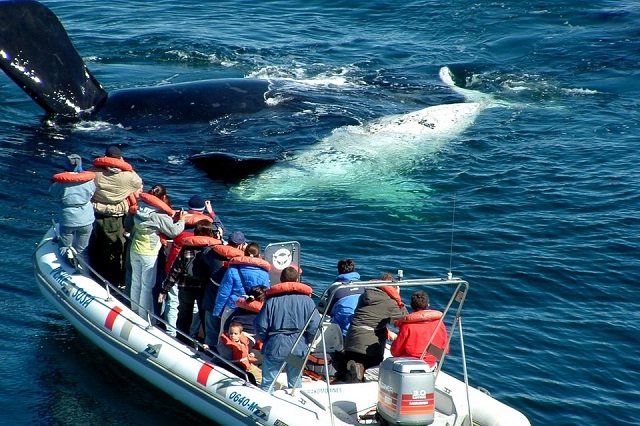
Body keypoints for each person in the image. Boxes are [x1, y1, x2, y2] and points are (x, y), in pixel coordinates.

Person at [162, 195, 224, 337]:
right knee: (200, 313)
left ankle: (173, 334)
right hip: (203, 286)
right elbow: (220, 228)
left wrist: (165, 288)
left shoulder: (179, 230)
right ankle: (196, 336)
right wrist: (212, 213)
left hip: (184, 282)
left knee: (178, 308)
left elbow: (176, 268)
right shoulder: (212, 246)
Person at [255, 266, 320, 391]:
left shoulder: (271, 301)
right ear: (297, 279)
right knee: (295, 382)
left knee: (268, 382)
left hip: (275, 346)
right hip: (298, 347)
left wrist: (265, 340)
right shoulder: (308, 301)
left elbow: (261, 325)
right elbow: (314, 326)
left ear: (281, 279)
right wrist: (308, 340)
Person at [126, 184, 184, 321]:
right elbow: (173, 231)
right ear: (163, 198)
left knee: (135, 281)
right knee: (147, 286)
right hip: (149, 253)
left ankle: (134, 309)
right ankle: (144, 317)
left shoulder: (140, 206)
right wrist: (181, 220)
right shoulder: (159, 215)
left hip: (135, 248)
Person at [88, 145, 143, 287]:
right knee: (114, 250)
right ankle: (115, 282)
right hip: (115, 217)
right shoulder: (128, 178)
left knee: (97, 247)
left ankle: (95, 277)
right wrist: (125, 165)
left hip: (95, 214)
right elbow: (138, 184)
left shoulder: (93, 174)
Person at [339, 284, 408, 382]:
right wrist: (398, 300)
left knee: (350, 364)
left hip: (352, 337)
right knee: (368, 368)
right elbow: (404, 319)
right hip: (369, 346)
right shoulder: (390, 303)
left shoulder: (364, 296)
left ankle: (352, 372)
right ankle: (359, 372)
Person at [213, 241, 271, 337]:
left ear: (245, 253)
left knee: (224, 335)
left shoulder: (232, 270)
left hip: (232, 306)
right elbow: (264, 294)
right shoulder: (264, 274)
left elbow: (224, 293)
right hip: (250, 309)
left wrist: (218, 311)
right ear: (258, 255)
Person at [201, 231, 247, 349]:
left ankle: (209, 351)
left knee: (211, 328)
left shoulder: (213, 256)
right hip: (231, 305)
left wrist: (219, 241)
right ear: (241, 245)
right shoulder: (243, 263)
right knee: (226, 333)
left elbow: (205, 250)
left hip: (212, 297)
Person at [50, 154, 96, 264]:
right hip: (86, 218)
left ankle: (67, 261)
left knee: (65, 247)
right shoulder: (89, 181)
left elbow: (54, 195)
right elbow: (92, 193)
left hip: (68, 219)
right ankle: (82, 267)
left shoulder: (60, 183)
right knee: (82, 250)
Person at [390, 290, 449, 368]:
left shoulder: (407, 326)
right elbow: (445, 350)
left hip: (409, 366)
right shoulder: (439, 323)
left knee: (370, 371)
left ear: (411, 305)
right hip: (430, 366)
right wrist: (427, 355)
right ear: (428, 305)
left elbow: (395, 352)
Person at [326, 258, 364, 337]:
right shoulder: (363, 286)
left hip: (342, 328)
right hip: (360, 323)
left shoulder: (334, 287)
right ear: (354, 269)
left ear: (339, 270)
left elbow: (329, 310)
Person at [219, 321, 262, 385]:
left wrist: (250, 354)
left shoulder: (243, 341)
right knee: (257, 378)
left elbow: (246, 349)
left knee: (262, 374)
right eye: (231, 333)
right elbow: (223, 357)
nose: (233, 335)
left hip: (248, 364)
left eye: (235, 334)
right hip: (239, 367)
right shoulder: (227, 345)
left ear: (240, 334)